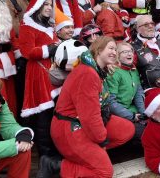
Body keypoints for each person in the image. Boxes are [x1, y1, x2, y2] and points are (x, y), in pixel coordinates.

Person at [51, 37, 135, 177]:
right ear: (98, 50)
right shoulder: (88, 73)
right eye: (110, 48)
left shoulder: (96, 70)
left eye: (115, 49)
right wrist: (101, 140)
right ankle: (57, 166)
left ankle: (91, 155)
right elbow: (90, 116)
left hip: (83, 123)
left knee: (126, 129)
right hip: (69, 128)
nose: (114, 52)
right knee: (104, 172)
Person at [19, 0, 59, 162]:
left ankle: (53, 150)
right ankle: (45, 155)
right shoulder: (27, 26)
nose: (49, 8)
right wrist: (49, 49)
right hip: (37, 71)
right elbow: (27, 51)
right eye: (46, 4)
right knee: (43, 112)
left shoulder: (49, 27)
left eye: (51, 4)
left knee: (52, 112)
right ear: (37, 6)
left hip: (51, 71)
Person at [107, 42, 145, 142]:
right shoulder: (114, 72)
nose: (129, 54)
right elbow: (111, 102)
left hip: (131, 110)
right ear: (117, 56)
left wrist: (143, 113)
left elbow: (138, 93)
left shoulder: (133, 69)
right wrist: (131, 116)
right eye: (125, 52)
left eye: (130, 51)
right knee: (143, 133)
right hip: (117, 114)